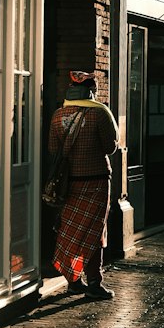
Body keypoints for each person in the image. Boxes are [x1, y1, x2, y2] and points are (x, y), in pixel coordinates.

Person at [49, 70, 120, 300]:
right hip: (96, 180)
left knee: (70, 230)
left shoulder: (58, 115)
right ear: (91, 91)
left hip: (68, 184)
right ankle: (94, 283)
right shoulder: (100, 114)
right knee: (95, 231)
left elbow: (53, 150)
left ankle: (73, 281)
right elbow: (110, 147)